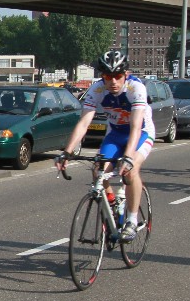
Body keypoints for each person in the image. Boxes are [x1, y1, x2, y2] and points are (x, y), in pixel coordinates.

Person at [55, 50, 152, 243]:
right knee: (97, 170)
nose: (113, 81)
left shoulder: (136, 88)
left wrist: (128, 157)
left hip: (141, 133)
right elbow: (84, 123)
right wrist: (67, 152)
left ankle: (132, 221)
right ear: (102, 76)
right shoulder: (97, 90)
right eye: (108, 76)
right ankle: (112, 202)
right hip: (115, 134)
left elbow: (135, 127)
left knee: (130, 171)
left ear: (126, 74)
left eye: (118, 76)